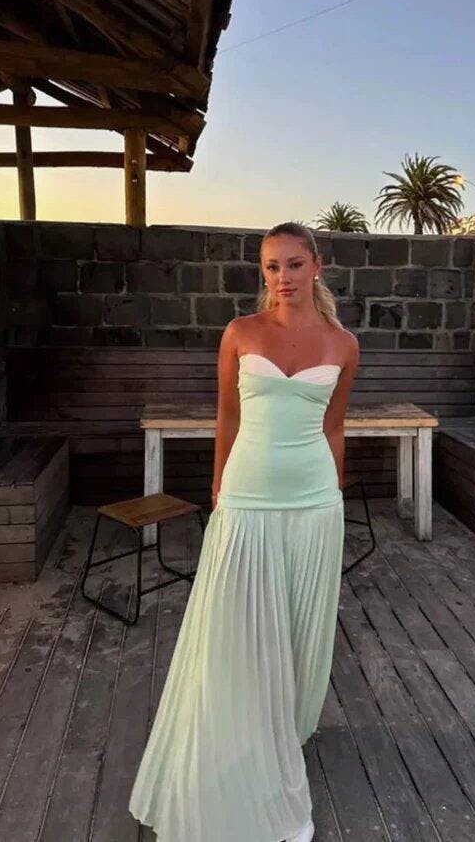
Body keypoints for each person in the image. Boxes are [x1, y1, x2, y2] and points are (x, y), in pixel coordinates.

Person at [129, 221, 359, 842]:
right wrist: (218, 489)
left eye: (293, 264)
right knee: (232, 625)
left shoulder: (343, 344)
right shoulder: (240, 333)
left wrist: (334, 493)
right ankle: (240, 741)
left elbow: (333, 426)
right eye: (272, 266)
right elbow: (226, 417)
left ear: (316, 266)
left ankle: (285, 729)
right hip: (246, 497)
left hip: (315, 502)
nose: (282, 277)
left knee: (299, 623)